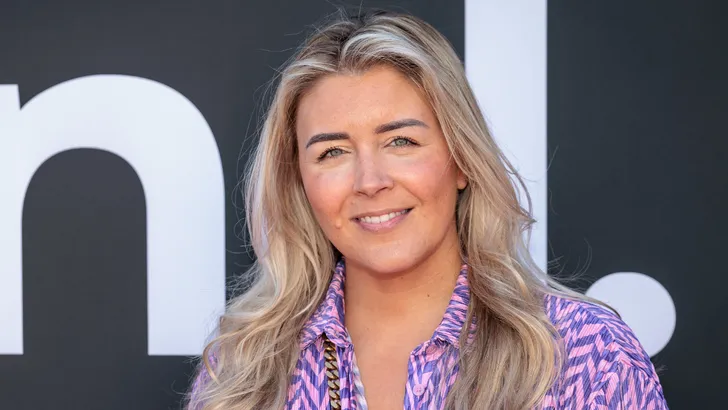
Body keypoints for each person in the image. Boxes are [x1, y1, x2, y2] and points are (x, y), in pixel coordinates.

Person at [186, 9, 669, 410]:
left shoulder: (585, 356)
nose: (370, 181)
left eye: (401, 141)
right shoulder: (242, 372)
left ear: (461, 160)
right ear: (299, 183)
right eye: (333, 152)